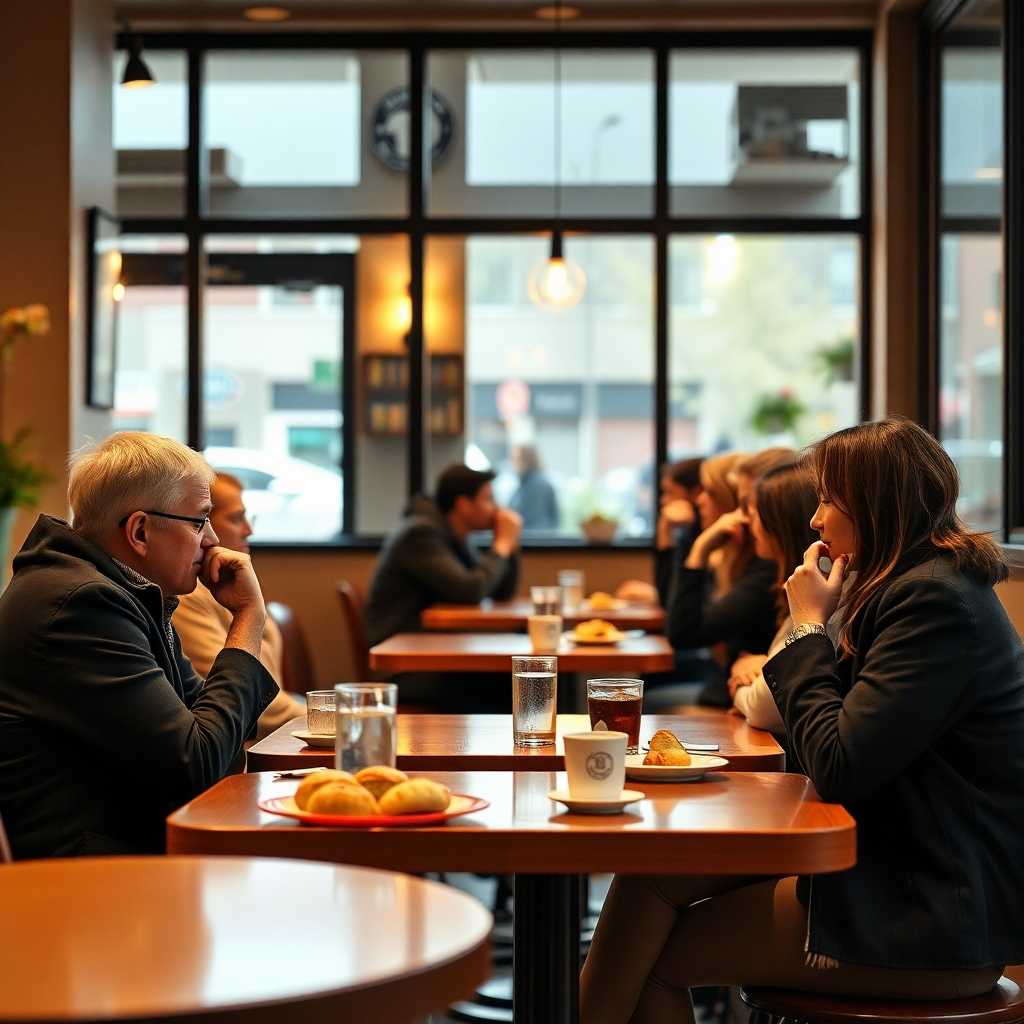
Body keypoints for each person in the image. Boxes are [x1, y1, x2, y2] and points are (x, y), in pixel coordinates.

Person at [580, 417, 1024, 1024]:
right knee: (646, 877)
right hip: (882, 865)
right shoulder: (905, 588)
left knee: (656, 957)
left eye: (828, 500)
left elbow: (839, 763)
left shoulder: (935, 602)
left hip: (926, 913)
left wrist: (810, 626)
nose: (814, 520)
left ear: (874, 506)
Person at [0, 433, 278, 859]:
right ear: (141, 531)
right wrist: (247, 619)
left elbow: (219, 745)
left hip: (130, 861)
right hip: (82, 889)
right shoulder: (82, 605)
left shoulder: (124, 594)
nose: (212, 540)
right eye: (200, 520)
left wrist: (219, 740)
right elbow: (199, 768)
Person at [173, 472, 304, 740]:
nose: (249, 529)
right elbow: (253, 706)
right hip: (242, 752)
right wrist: (340, 716)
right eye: (235, 518)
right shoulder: (186, 596)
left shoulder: (225, 586)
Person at [664, 452, 779, 706]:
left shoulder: (767, 569)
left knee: (648, 699)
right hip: (731, 691)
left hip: (736, 697)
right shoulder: (735, 560)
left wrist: (698, 548)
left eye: (710, 491)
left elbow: (682, 630)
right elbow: (672, 606)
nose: (699, 500)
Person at [364, 464, 522, 646]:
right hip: (402, 653)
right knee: (512, 667)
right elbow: (470, 591)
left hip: (431, 643)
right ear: (464, 505)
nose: (497, 509)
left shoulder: (456, 536)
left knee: (518, 650)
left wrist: (509, 545)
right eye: (489, 499)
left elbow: (497, 592)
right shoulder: (420, 534)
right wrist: (501, 545)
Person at [727, 460, 820, 733]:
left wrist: (739, 685)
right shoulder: (796, 581)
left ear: (781, 524)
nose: (748, 519)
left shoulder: (815, 585)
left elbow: (762, 707)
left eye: (755, 510)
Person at [617, 457, 704, 607]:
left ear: (696, 494)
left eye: (670, 492)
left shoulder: (706, 540)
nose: (663, 501)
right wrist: (665, 530)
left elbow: (671, 601)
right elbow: (668, 597)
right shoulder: (688, 534)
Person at [509, 444, 559, 530]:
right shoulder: (524, 483)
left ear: (527, 459)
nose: (513, 463)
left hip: (534, 540)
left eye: (516, 459)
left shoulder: (537, 486)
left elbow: (529, 519)